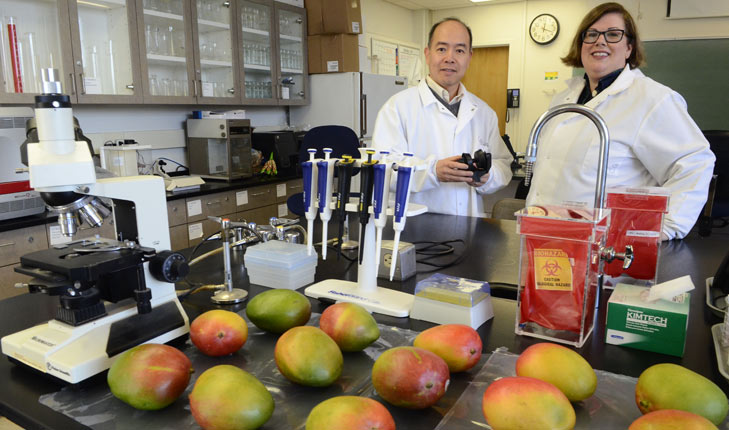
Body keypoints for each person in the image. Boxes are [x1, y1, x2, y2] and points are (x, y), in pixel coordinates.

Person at [526, 2, 715, 240]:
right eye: (591, 34)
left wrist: (664, 227)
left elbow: (695, 163)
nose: (600, 41)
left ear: (629, 48)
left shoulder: (652, 99)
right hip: (543, 235)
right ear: (580, 45)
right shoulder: (563, 99)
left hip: (605, 246)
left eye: (613, 34)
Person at [372, 17, 513, 217]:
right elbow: (382, 169)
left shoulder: (484, 112)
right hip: (415, 227)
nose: (450, 58)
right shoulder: (398, 107)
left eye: (460, 50)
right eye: (441, 49)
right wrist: (432, 171)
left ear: (469, 57)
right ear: (427, 54)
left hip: (470, 225)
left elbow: (503, 164)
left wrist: (487, 176)